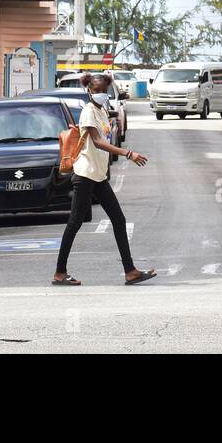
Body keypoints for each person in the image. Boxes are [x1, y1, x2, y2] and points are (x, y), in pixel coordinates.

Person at [52, 72, 156, 287]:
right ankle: (60, 273)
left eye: (103, 91)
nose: (99, 94)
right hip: (85, 174)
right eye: (96, 91)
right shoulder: (89, 111)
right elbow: (98, 142)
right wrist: (128, 153)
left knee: (118, 219)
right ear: (89, 91)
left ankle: (130, 271)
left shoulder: (100, 110)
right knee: (74, 222)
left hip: (97, 175)